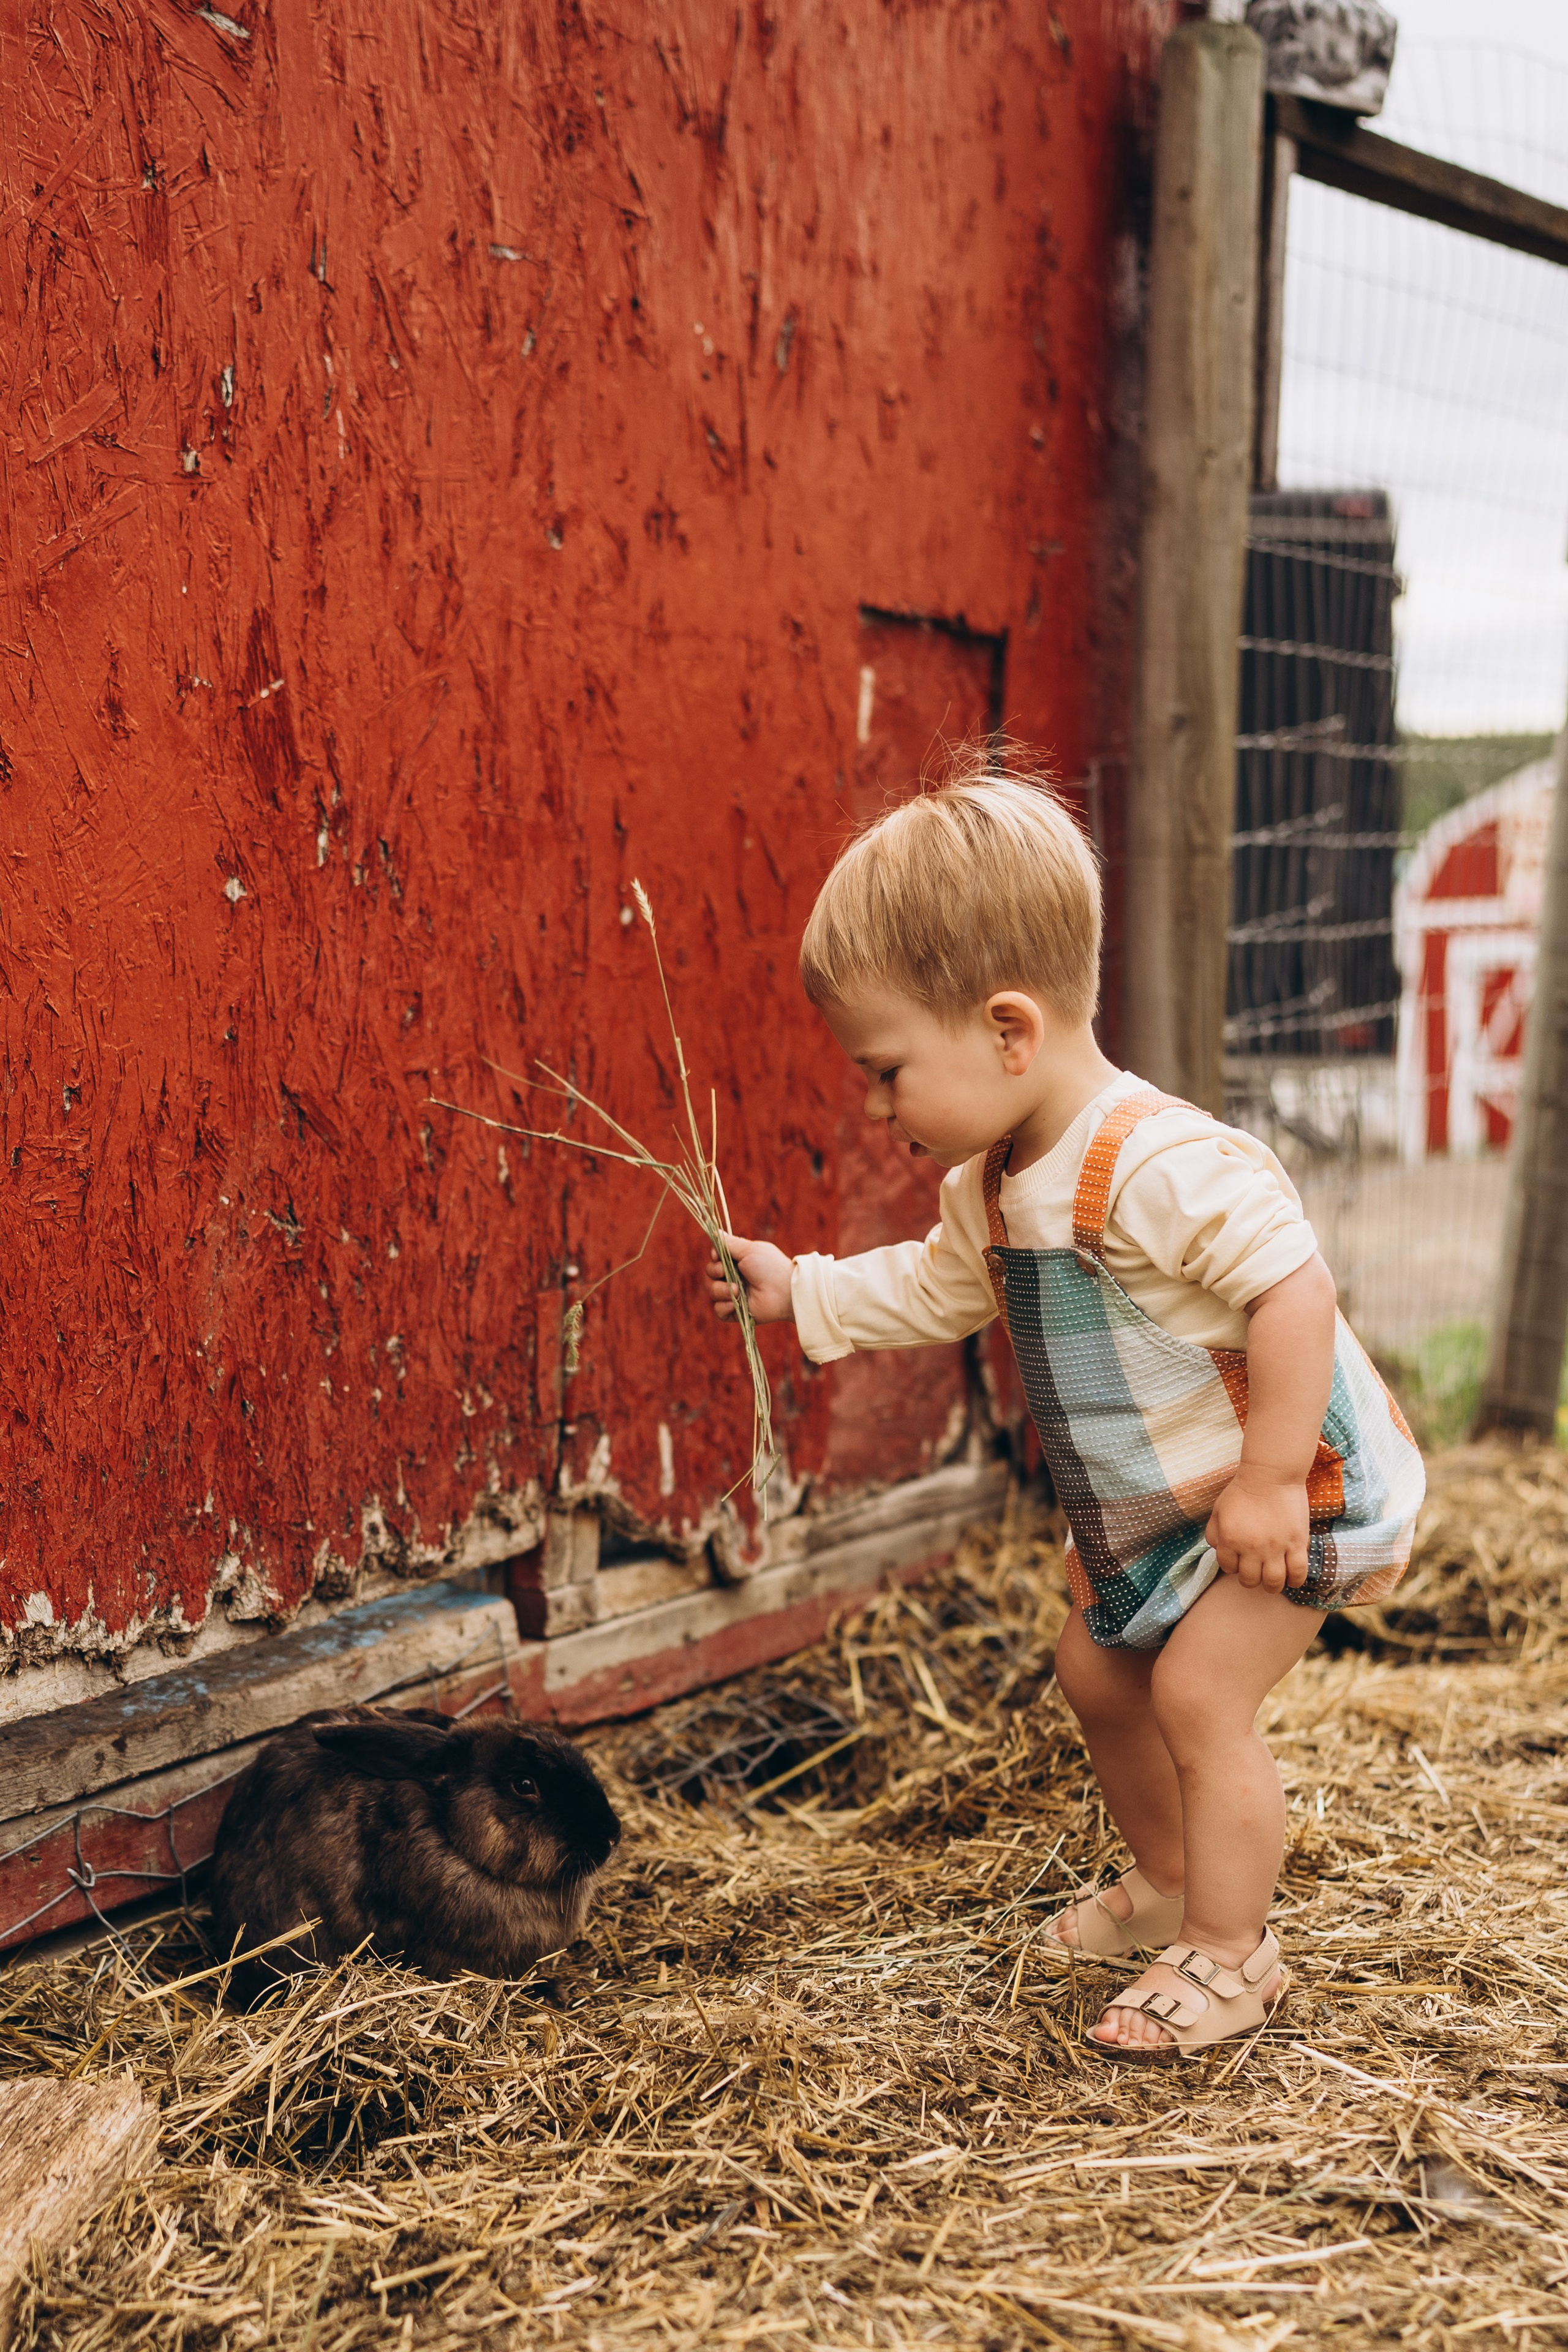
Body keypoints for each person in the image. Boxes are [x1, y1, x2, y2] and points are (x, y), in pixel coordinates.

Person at [706, 758, 1424, 2063]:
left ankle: (1229, 1950)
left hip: (1286, 1482)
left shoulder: (1157, 1161)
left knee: (1200, 1692)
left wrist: (1267, 1481)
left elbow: (1292, 1290)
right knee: (1097, 1669)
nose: (874, 1107)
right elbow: (935, 1290)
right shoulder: (989, 1188)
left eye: (884, 1071)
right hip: (1180, 1508)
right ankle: (1163, 1883)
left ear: (1006, 1031)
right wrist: (796, 1290)